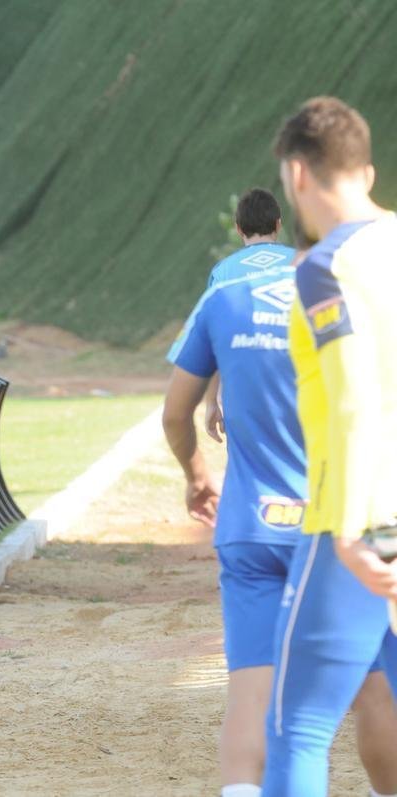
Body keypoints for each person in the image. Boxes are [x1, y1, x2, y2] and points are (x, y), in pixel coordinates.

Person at [163, 252, 397, 797]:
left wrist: (197, 476)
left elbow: (176, 413)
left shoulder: (226, 295)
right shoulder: (361, 295)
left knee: (254, 693)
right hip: (345, 523)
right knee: (375, 691)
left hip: (255, 522)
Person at [261, 96, 397, 796]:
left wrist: (346, 526)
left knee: (298, 725)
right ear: (365, 169)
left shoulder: (324, 268)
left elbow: (349, 392)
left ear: (297, 174)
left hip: (362, 520)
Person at [203, 189, 297, 441]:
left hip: (242, 396)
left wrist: (211, 401)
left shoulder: (222, 273)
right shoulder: (303, 262)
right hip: (299, 391)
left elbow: (212, 340)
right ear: (278, 224)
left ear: (238, 229)